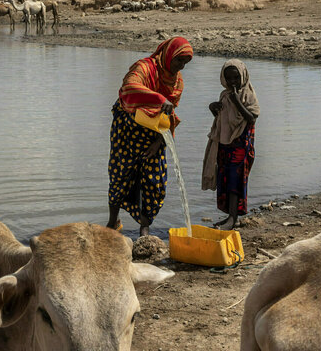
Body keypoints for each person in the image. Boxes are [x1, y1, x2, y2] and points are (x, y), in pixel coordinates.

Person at [107, 37, 194, 237]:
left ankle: (144, 228)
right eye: (179, 61)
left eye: (185, 63)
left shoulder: (177, 82)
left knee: (154, 182)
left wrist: (158, 144)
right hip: (127, 130)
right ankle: (112, 223)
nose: (181, 67)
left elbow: (169, 117)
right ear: (168, 54)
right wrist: (158, 98)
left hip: (153, 132)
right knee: (121, 174)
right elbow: (128, 88)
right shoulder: (145, 68)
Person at [202, 59, 260, 229]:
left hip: (241, 144)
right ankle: (229, 216)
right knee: (225, 178)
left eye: (236, 78)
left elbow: (251, 118)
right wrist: (214, 108)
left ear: (242, 76)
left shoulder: (248, 94)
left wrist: (237, 102)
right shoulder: (225, 94)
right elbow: (225, 119)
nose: (233, 82)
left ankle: (233, 219)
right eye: (229, 79)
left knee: (236, 179)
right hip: (225, 144)